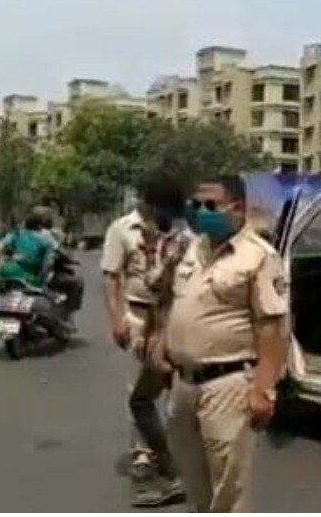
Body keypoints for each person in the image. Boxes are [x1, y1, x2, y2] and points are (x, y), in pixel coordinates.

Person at [151, 174, 289, 512]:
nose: (200, 212)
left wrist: (263, 388)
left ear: (237, 209)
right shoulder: (190, 248)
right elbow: (170, 297)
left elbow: (271, 326)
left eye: (210, 205)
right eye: (195, 205)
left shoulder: (259, 256)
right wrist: (160, 339)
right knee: (192, 477)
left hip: (227, 384)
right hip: (183, 383)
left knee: (228, 487)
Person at [101, 172, 185, 507]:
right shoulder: (122, 229)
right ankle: (144, 455)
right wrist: (116, 319)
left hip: (175, 316)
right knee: (139, 392)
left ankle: (176, 459)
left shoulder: (180, 234)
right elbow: (111, 276)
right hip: (138, 316)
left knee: (169, 391)